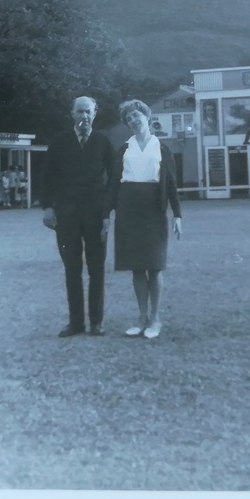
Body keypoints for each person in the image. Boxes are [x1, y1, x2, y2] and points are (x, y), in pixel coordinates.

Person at [41, 96, 119, 338]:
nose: (84, 117)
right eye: (79, 112)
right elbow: (46, 175)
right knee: (72, 268)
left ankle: (96, 322)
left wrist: (107, 212)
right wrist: (47, 207)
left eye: (88, 112)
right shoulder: (60, 141)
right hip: (66, 215)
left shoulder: (103, 141)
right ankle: (76, 323)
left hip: (95, 214)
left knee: (96, 268)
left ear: (94, 114)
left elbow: (114, 179)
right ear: (72, 114)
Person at [111, 99, 183, 339]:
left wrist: (178, 215)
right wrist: (105, 215)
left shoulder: (162, 148)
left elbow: (171, 184)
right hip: (128, 210)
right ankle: (141, 318)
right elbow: (113, 184)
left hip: (154, 209)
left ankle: (155, 319)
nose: (133, 120)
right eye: (128, 118)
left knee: (155, 266)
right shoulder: (124, 149)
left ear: (146, 117)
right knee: (137, 268)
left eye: (136, 115)